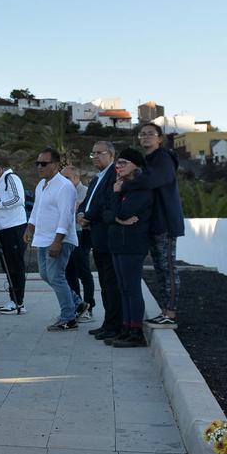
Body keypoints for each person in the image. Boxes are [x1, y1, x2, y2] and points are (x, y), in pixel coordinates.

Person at [122, 123, 185, 329]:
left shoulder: (163, 158)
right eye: (142, 134)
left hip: (165, 222)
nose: (146, 137)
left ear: (160, 138)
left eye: (151, 134)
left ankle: (171, 313)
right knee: (160, 269)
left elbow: (153, 180)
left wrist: (125, 184)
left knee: (168, 268)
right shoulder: (149, 160)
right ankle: (165, 311)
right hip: (154, 223)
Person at [23, 148, 88, 331]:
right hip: (43, 238)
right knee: (46, 275)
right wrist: (30, 227)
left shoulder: (64, 186)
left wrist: (58, 241)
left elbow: (66, 216)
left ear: (56, 165)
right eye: (38, 163)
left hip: (59, 239)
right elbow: (37, 210)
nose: (39, 167)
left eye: (44, 163)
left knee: (56, 276)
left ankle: (68, 317)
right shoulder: (41, 185)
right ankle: (77, 304)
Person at [103, 148, 154, 348]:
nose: (119, 166)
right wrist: (117, 218)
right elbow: (107, 213)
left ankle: (136, 331)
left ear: (136, 165)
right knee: (123, 289)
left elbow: (124, 212)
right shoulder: (119, 186)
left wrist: (117, 212)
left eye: (124, 162)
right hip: (117, 243)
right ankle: (126, 328)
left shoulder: (142, 189)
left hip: (132, 245)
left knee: (132, 289)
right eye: (118, 162)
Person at [79, 141, 123, 341]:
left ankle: (115, 325)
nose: (95, 156)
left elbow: (106, 202)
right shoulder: (97, 178)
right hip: (96, 237)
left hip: (108, 237)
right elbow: (87, 201)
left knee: (111, 284)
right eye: (93, 153)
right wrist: (81, 214)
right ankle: (108, 323)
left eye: (99, 153)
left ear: (111, 155)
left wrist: (88, 216)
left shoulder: (114, 174)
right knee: (104, 284)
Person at [0, 159, 28, 314]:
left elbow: (18, 199)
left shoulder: (10, 178)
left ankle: (18, 302)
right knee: (8, 266)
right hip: (2, 229)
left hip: (14, 228)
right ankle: (14, 299)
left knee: (15, 265)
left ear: (0, 169)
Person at [62, 165, 96, 321]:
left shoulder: (86, 191)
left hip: (81, 234)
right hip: (67, 234)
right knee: (69, 271)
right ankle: (78, 306)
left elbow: (75, 210)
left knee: (83, 271)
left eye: (67, 178)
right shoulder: (63, 191)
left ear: (76, 178)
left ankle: (89, 306)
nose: (64, 181)